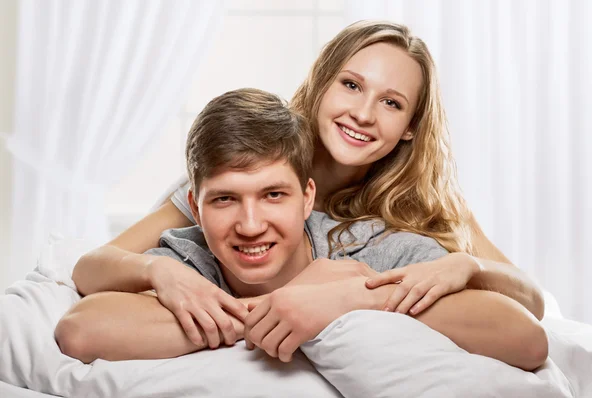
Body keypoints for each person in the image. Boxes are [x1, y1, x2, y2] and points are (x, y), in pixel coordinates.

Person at [69, 20, 544, 351]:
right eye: (352, 85)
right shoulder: (251, 165)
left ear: (410, 128)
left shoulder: (419, 210)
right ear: (321, 83)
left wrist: (464, 265)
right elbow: (96, 267)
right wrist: (161, 275)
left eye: (392, 103)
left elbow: (531, 305)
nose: (362, 113)